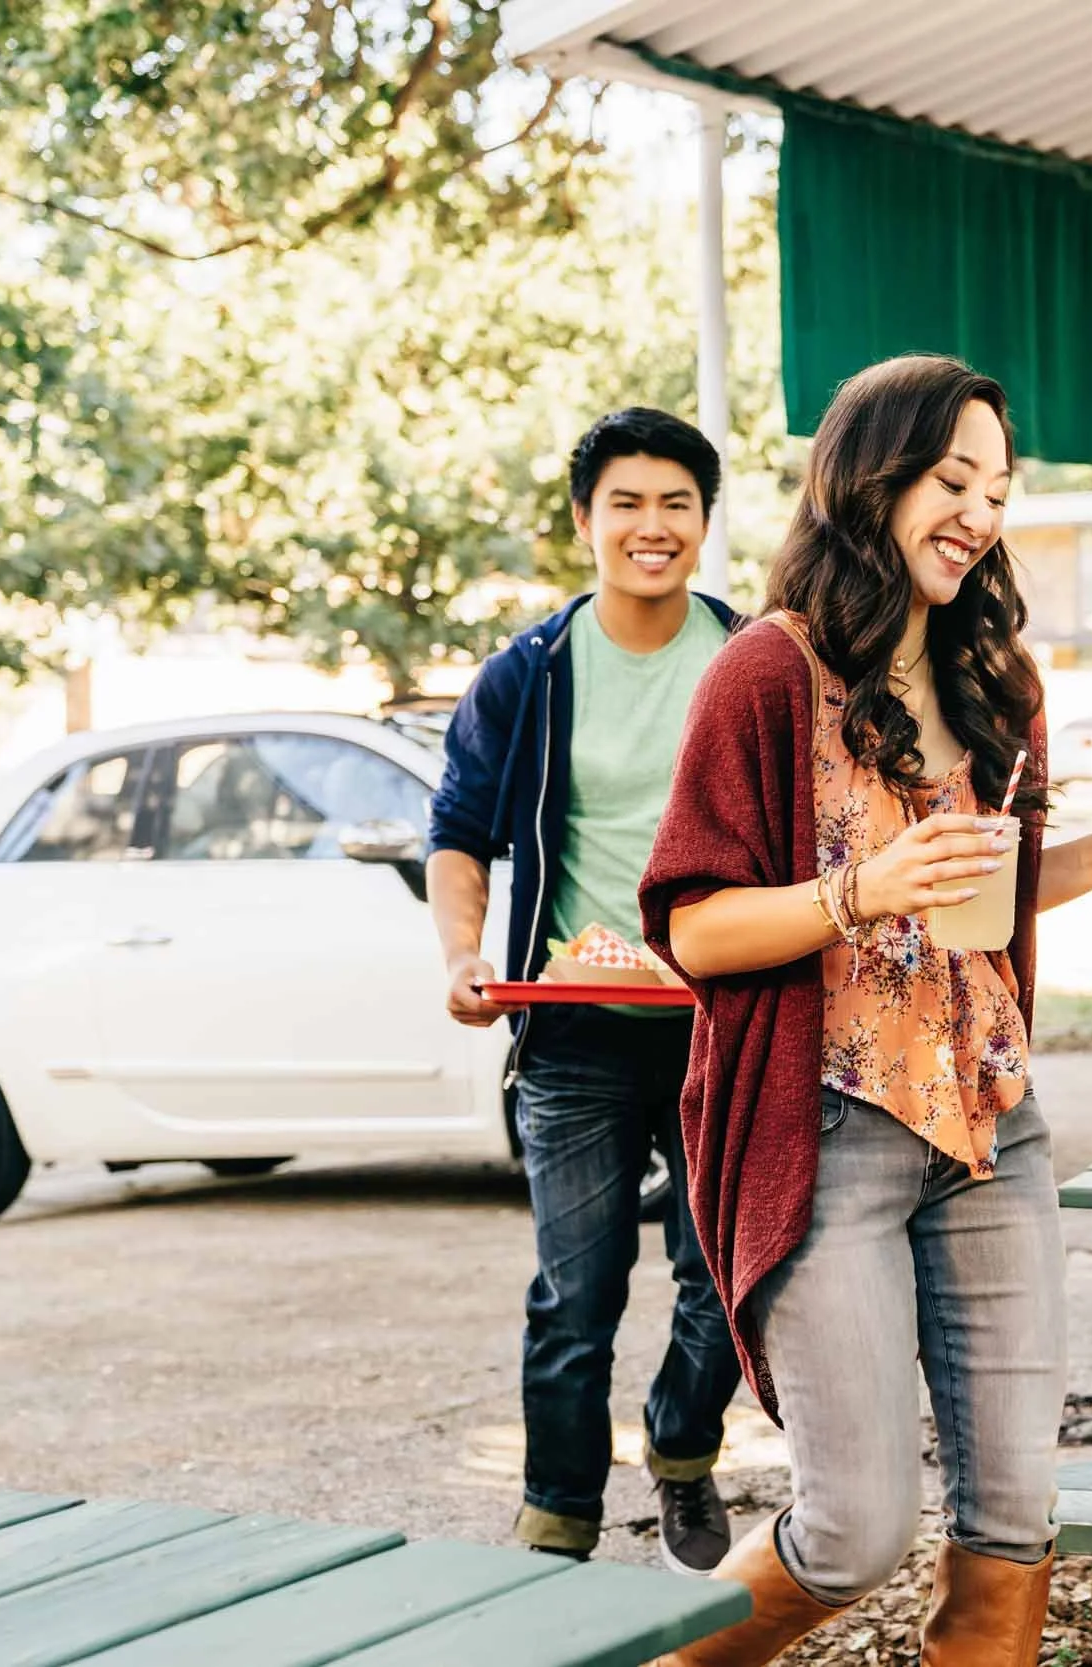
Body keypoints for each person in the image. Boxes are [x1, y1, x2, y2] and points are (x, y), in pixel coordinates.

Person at [636, 355, 1092, 1667]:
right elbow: (694, 921)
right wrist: (856, 887)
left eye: (997, 486)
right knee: (855, 1526)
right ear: (871, 480)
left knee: (1017, 1514)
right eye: (952, 477)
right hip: (831, 1131)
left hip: (994, 1122)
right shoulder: (765, 672)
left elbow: (987, 895)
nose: (980, 510)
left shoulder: (997, 676)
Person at [426, 408, 744, 1571]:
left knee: (722, 1276)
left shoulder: (753, 659)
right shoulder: (530, 672)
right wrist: (463, 953)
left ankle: (680, 1444)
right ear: (584, 520)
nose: (650, 526)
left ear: (705, 524)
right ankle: (556, 1516)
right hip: (571, 1029)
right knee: (576, 1292)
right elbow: (458, 831)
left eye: (675, 503)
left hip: (720, 1024)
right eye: (626, 502)